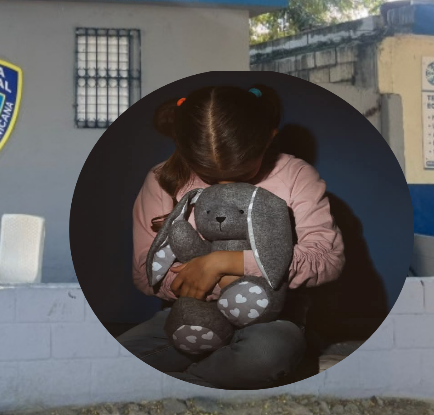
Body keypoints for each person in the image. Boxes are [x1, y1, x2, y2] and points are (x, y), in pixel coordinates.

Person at [117, 84, 345, 389]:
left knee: (264, 355)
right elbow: (146, 274)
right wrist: (212, 287)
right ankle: (212, 373)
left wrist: (225, 264)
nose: (226, 185)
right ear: (183, 148)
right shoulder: (161, 179)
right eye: (209, 177)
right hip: (189, 314)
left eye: (243, 174)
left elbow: (326, 259)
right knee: (117, 357)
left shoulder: (295, 175)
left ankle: (185, 385)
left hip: (273, 318)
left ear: (269, 138)